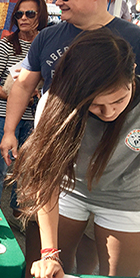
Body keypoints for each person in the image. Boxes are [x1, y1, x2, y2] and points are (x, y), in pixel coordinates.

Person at [11, 29, 140, 278]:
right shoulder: (54, 103)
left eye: (119, 100)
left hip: (128, 195)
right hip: (69, 187)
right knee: (46, 270)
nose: (109, 112)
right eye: (95, 104)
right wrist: (49, 254)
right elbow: (46, 179)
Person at [0, 0, 140, 166]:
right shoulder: (47, 36)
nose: (57, 2)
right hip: (53, 153)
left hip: (111, 162)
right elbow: (22, 85)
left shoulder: (134, 38)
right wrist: (9, 131)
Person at [0, 0, 47, 206]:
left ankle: (17, 210)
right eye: (19, 13)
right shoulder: (6, 45)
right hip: (4, 116)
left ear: (41, 16)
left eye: (30, 13)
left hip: (34, 118)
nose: (23, 18)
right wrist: (17, 97)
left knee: (25, 168)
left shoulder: (46, 45)